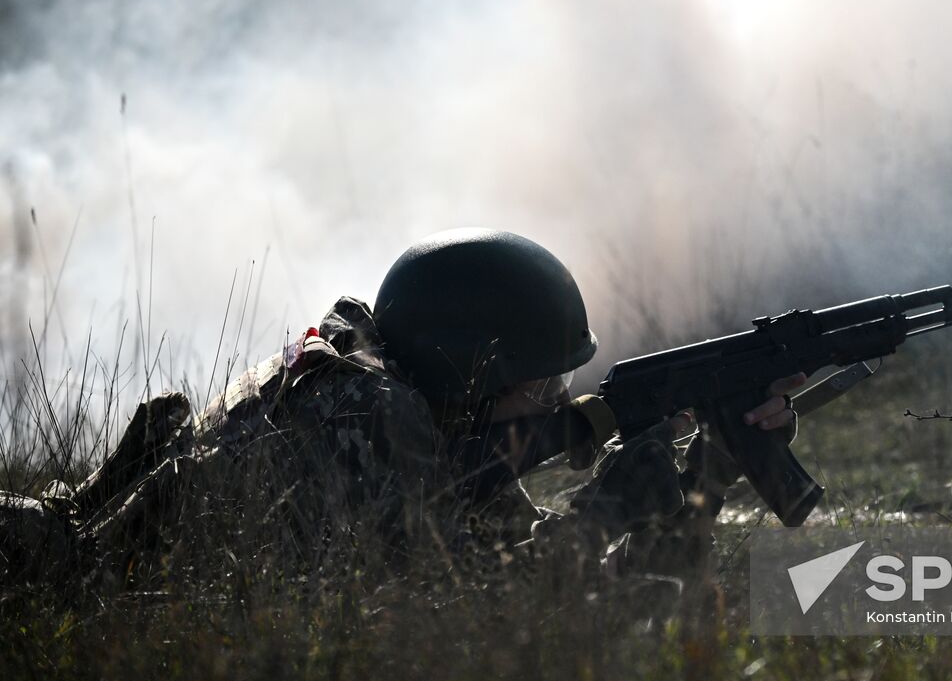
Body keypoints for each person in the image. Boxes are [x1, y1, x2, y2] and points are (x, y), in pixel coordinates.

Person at [0, 228, 803, 588]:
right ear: (473, 375)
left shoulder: (422, 414)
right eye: (543, 385)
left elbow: (565, 570)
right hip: (63, 574)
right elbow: (495, 606)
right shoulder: (369, 417)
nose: (561, 401)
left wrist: (711, 462)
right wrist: (608, 503)